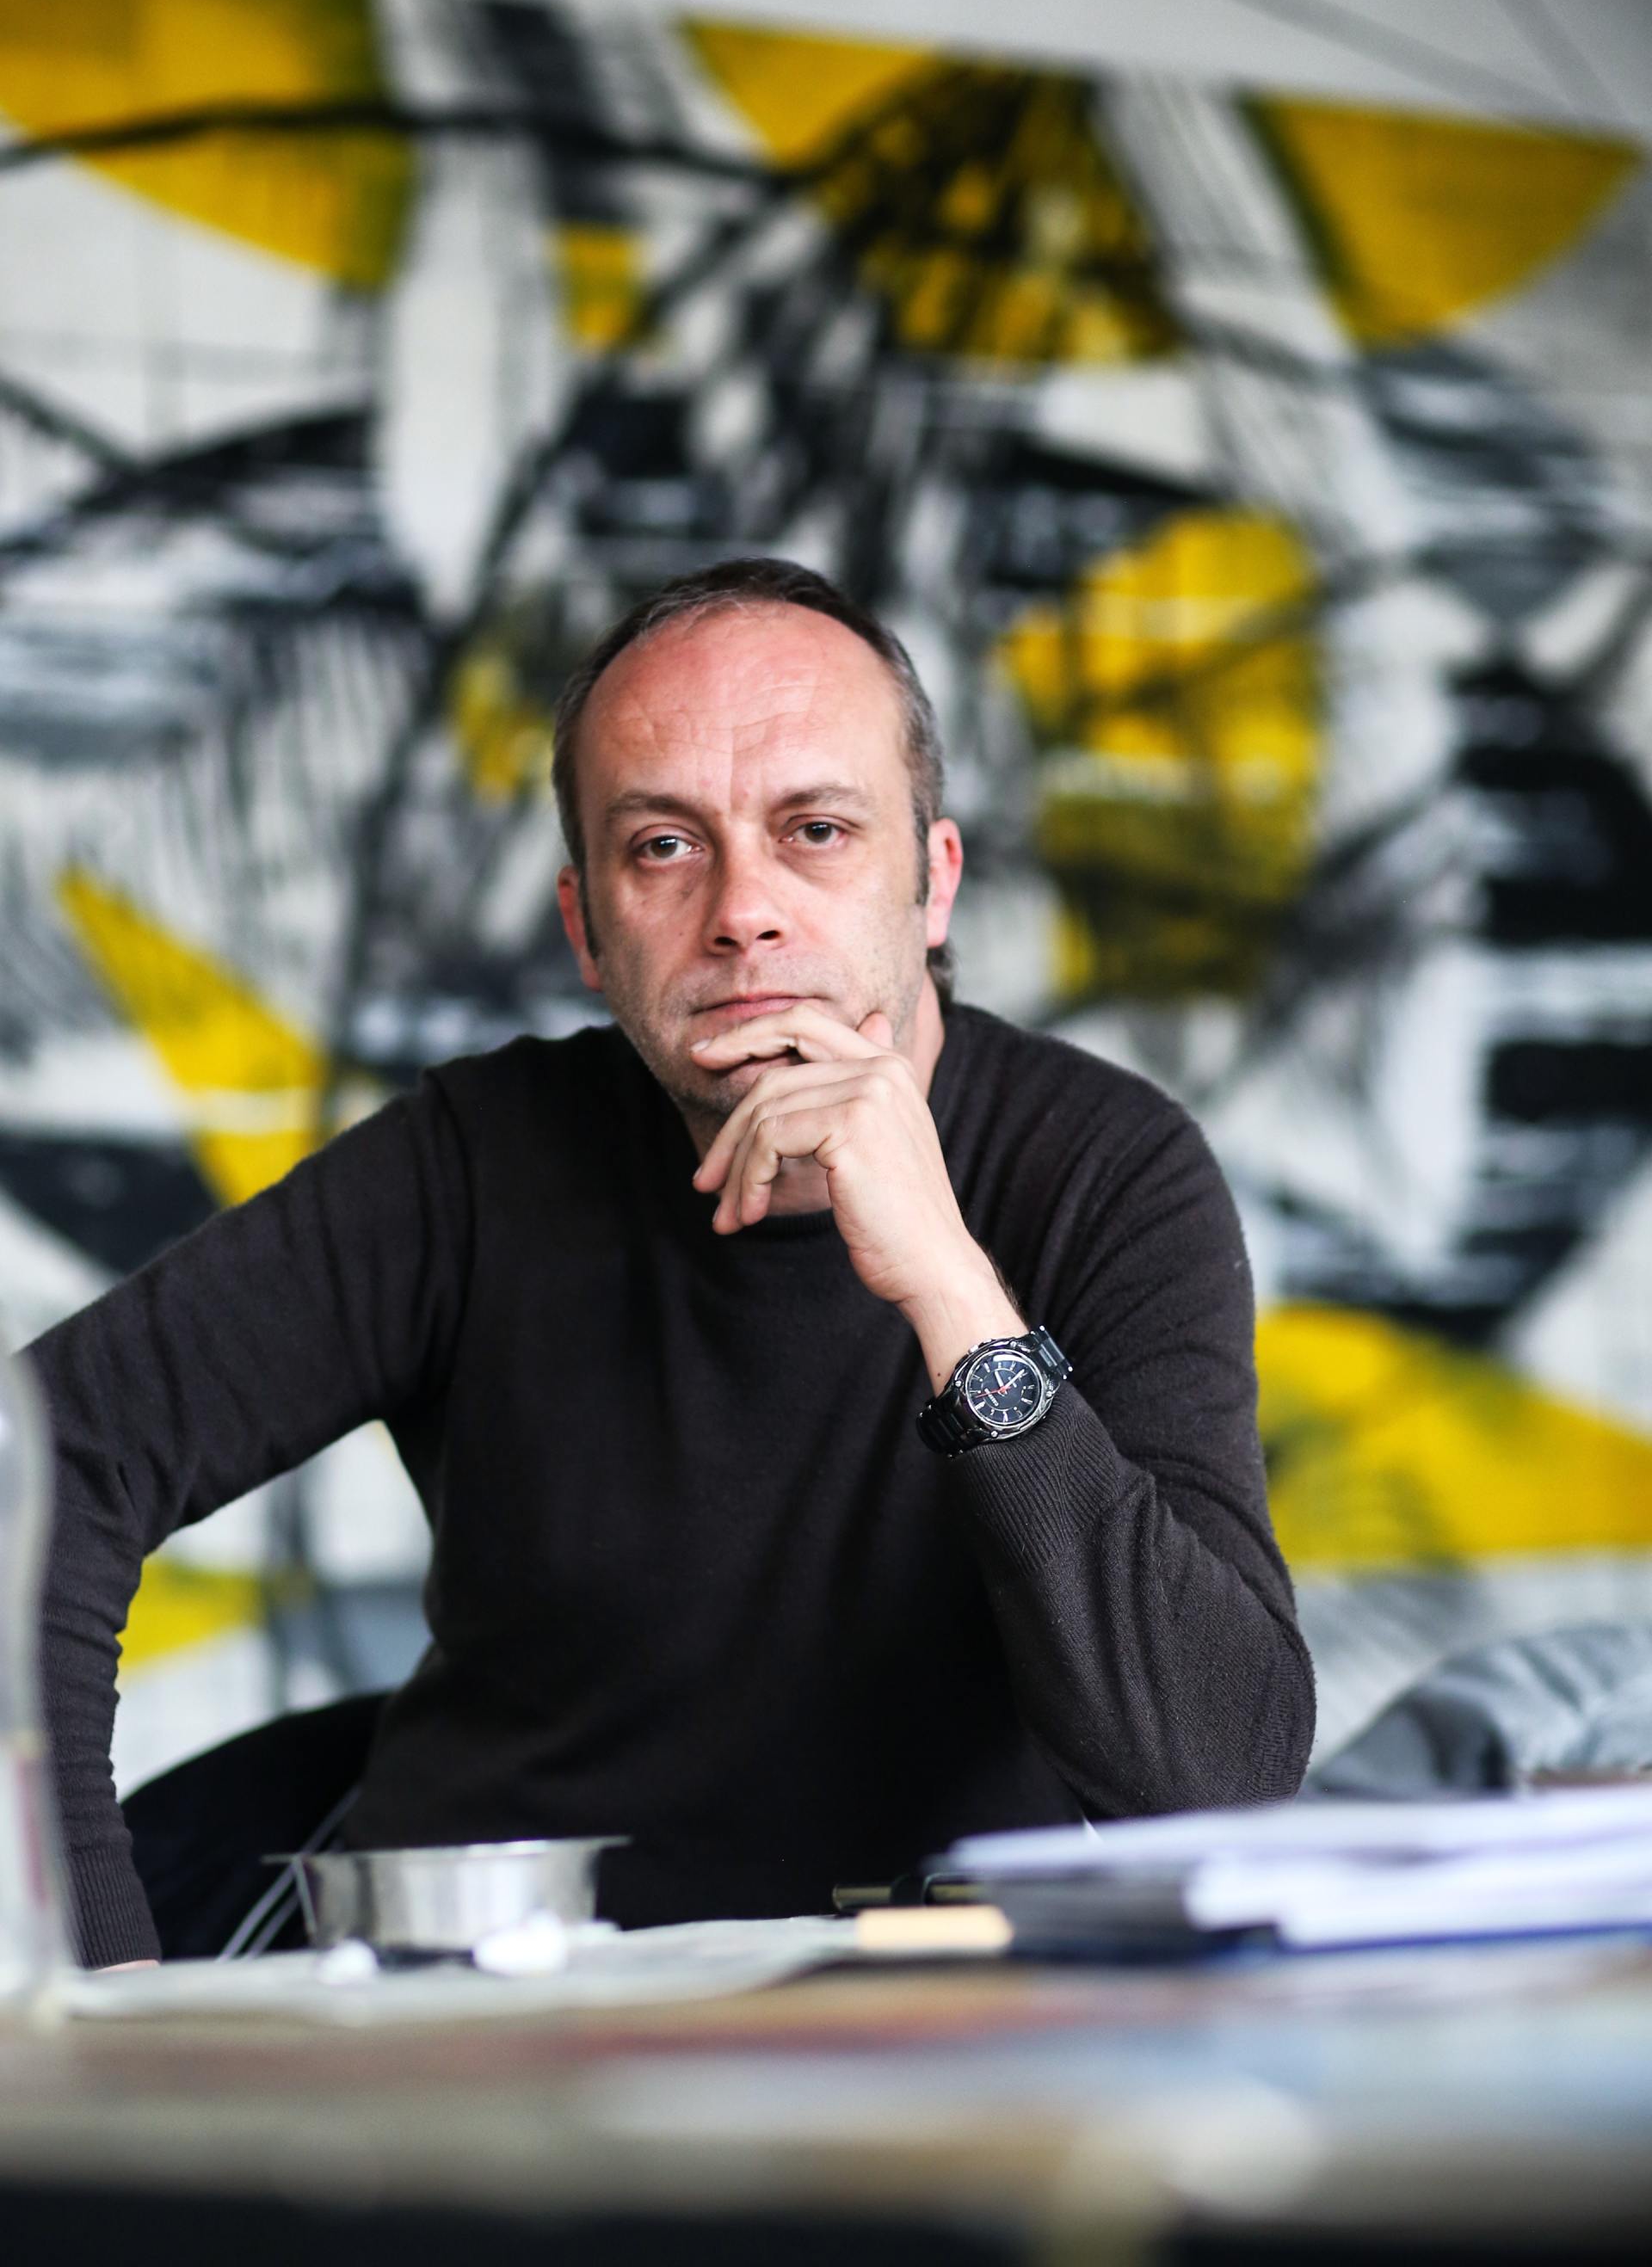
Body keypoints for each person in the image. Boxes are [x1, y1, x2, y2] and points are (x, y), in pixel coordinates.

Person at [26, 558, 1314, 1968]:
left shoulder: (1106, 1175)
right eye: (662, 847)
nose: (741, 911)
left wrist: (952, 1290)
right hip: (484, 2021)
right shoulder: (474, 1164)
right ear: (585, 928)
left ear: (932, 884)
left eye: (816, 830)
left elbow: (1224, 1777)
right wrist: (92, 1980)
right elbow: (42, 1465)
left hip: (924, 2040)